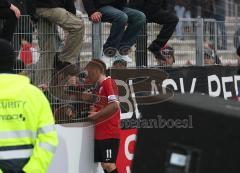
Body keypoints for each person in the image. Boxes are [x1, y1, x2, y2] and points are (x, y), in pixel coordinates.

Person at [0, 39, 58, 173]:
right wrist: (32, 170)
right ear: (13, 62)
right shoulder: (35, 95)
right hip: (30, 166)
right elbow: (49, 138)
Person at [28, 0, 85, 85]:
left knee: (48, 52)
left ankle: (41, 88)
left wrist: (32, 14)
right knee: (78, 26)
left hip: (38, 9)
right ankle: (65, 61)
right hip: (49, 7)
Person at [85, 59, 120, 173]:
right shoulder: (98, 88)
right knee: (105, 165)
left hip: (109, 132)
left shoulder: (108, 82)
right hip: (102, 133)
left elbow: (115, 105)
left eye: (90, 72)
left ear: (96, 71)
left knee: (108, 164)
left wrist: (97, 115)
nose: (88, 75)